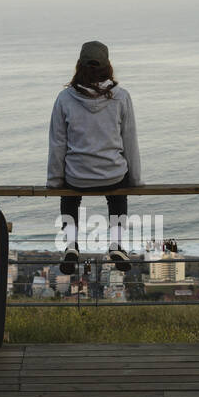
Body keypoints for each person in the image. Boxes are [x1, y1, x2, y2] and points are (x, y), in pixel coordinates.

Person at [47, 40, 142, 276]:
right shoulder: (121, 97)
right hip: (112, 174)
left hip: (77, 176)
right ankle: (117, 245)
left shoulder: (64, 99)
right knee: (117, 198)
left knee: (69, 198)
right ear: (107, 67)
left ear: (79, 65)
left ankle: (70, 245)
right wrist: (136, 180)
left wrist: (54, 182)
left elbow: (57, 144)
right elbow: (129, 140)